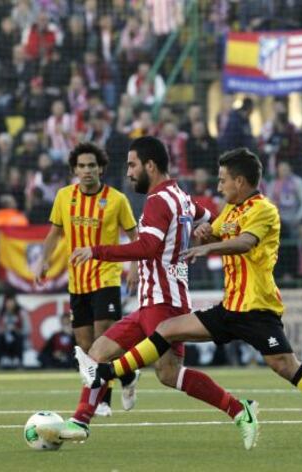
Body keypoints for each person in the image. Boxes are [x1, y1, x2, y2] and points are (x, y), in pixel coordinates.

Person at [73, 147, 302, 447]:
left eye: (223, 181)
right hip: (229, 309)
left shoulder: (264, 210)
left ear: (241, 182)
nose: (219, 187)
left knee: (286, 365)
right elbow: (211, 228)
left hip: (257, 311)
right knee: (166, 331)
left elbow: (245, 242)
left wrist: (209, 247)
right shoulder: (231, 212)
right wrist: (205, 233)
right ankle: (107, 373)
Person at [37, 136, 260, 451]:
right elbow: (211, 219)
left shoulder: (158, 200)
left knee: (167, 373)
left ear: (150, 166)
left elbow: (147, 247)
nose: (128, 172)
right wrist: (206, 230)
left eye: (132, 165)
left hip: (165, 304)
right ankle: (80, 422)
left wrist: (96, 250)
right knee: (99, 351)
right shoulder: (181, 196)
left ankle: (239, 409)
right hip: (154, 302)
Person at [34, 141, 139, 417]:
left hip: (106, 277)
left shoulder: (117, 199)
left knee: (103, 339)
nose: (87, 170)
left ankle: (103, 400)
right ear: (74, 170)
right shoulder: (63, 197)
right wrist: (43, 261)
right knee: (84, 345)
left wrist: (135, 268)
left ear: (101, 168)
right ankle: (127, 375)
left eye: (92, 165)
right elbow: (54, 233)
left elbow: (135, 237)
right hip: (77, 282)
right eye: (81, 166)